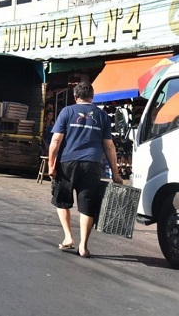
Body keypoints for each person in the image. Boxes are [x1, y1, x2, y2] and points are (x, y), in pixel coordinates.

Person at [48, 82, 123, 258]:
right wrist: (116, 174)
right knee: (87, 206)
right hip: (93, 164)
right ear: (92, 96)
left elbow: (56, 141)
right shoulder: (102, 115)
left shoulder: (67, 112)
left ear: (75, 96)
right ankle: (83, 246)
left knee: (62, 201)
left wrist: (51, 165)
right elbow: (109, 146)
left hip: (67, 163)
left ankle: (68, 237)